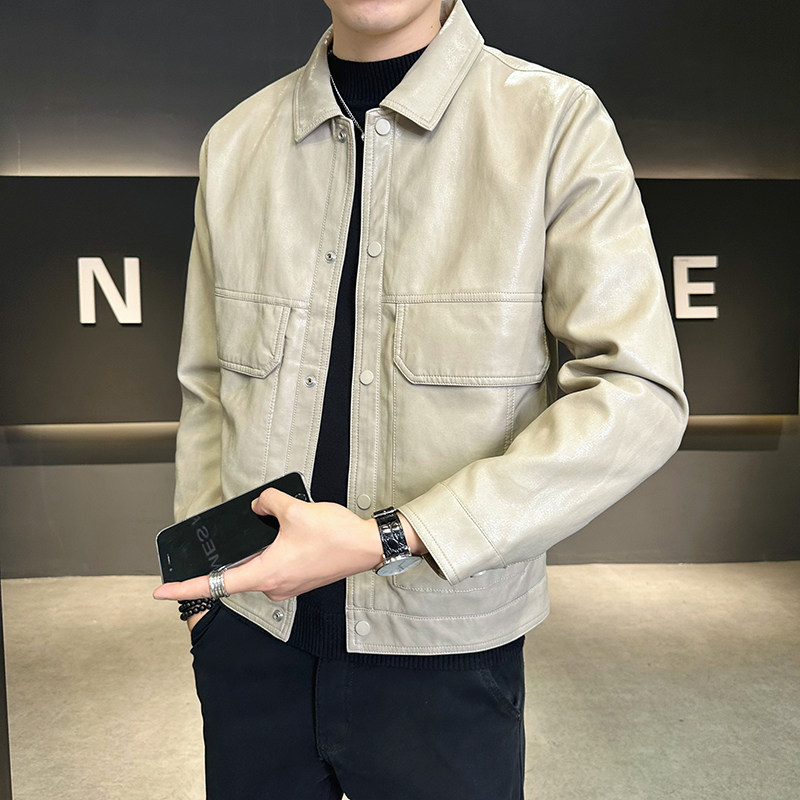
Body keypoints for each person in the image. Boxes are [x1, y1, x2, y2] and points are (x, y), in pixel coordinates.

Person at [153, 1, 688, 797]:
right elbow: (208, 384)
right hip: (252, 639)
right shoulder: (237, 141)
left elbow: (637, 390)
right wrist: (208, 603)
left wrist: (392, 537)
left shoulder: (552, 122)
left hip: (446, 654)